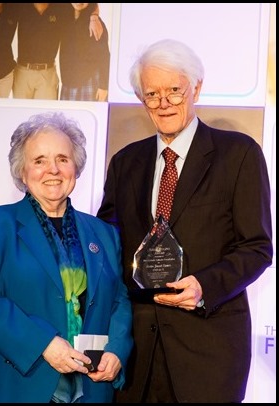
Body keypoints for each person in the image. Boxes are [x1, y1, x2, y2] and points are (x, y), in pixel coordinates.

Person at [97, 39, 273, 403]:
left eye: (174, 91)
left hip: (209, 350)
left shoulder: (238, 154)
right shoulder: (125, 162)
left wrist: (203, 287)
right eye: (151, 94)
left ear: (196, 87)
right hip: (136, 352)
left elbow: (257, 247)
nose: (163, 104)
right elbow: (108, 243)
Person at [0, 111, 133, 403]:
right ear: (22, 171)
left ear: (76, 167)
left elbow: (118, 299)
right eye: (39, 161)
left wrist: (117, 349)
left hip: (87, 387)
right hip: (5, 385)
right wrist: (42, 343)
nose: (52, 169)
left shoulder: (104, 233)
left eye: (62, 159)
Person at [0, 4, 104, 100]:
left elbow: (82, 4)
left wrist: (94, 16)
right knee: (22, 117)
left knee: (44, 121)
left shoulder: (61, 7)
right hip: (22, 72)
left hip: (47, 74)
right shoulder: (21, 6)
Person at [59, 3, 110, 102]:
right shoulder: (65, 18)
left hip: (89, 81)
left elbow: (104, 55)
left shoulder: (96, 23)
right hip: (69, 81)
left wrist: (103, 86)